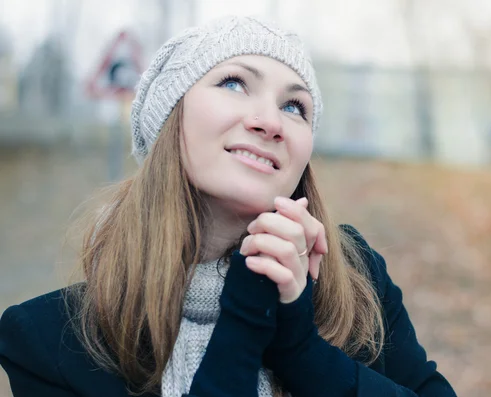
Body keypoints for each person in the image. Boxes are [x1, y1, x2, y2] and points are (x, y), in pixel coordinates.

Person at [0, 16, 457, 397]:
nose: (270, 121)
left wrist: (303, 352)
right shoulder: (46, 340)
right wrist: (247, 308)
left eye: (295, 106)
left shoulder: (358, 276)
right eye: (234, 83)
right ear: (168, 119)